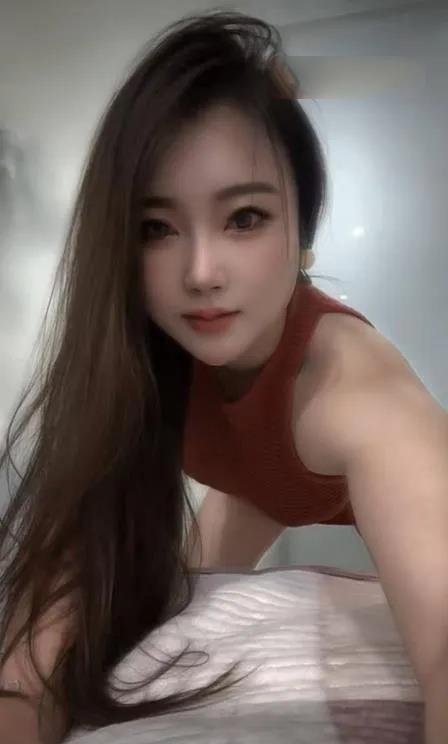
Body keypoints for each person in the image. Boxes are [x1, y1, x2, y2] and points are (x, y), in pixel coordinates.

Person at [0, 10, 447, 744]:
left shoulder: (358, 396)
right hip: (252, 486)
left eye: (244, 217)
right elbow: (31, 670)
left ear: (301, 229)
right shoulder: (139, 362)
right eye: (156, 228)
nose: (201, 273)